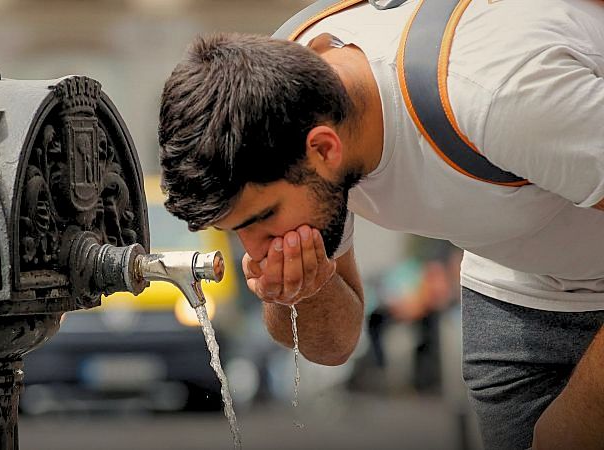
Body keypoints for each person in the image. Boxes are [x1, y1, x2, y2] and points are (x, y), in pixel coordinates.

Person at [156, 0, 604, 448]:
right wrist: (301, 289)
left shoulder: (497, 93)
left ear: (325, 149)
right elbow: (336, 343)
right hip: (513, 283)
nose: (255, 250)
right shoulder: (281, 97)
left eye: (264, 218)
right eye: (240, 230)